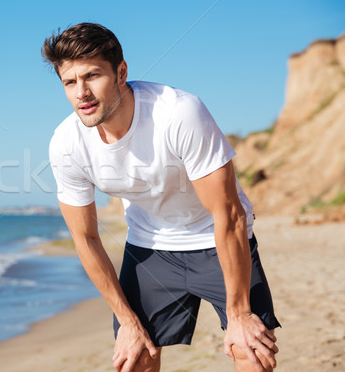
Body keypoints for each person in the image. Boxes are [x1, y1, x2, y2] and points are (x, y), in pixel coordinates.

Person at [42, 23, 280, 372]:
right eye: (70, 82)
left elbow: (228, 215)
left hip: (217, 239)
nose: (82, 93)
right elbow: (86, 238)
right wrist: (127, 321)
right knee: (135, 355)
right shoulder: (66, 144)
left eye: (92, 76)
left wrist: (240, 313)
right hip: (150, 248)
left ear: (121, 72)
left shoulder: (179, 113)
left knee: (252, 350)